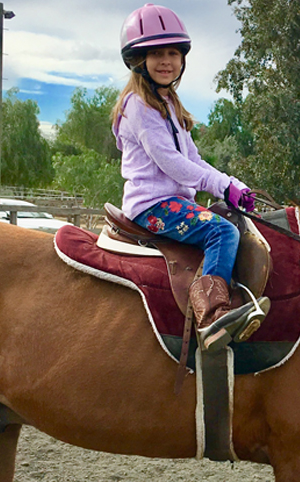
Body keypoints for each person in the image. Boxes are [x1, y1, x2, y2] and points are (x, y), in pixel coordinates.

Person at [112, 3, 269, 353]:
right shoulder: (138, 105)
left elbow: (193, 159)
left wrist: (232, 185)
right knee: (221, 231)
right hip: (152, 205)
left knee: (233, 219)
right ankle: (212, 318)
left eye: (173, 53)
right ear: (138, 60)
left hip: (174, 201)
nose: (166, 61)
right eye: (156, 54)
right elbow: (171, 164)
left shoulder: (169, 103)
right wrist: (221, 186)